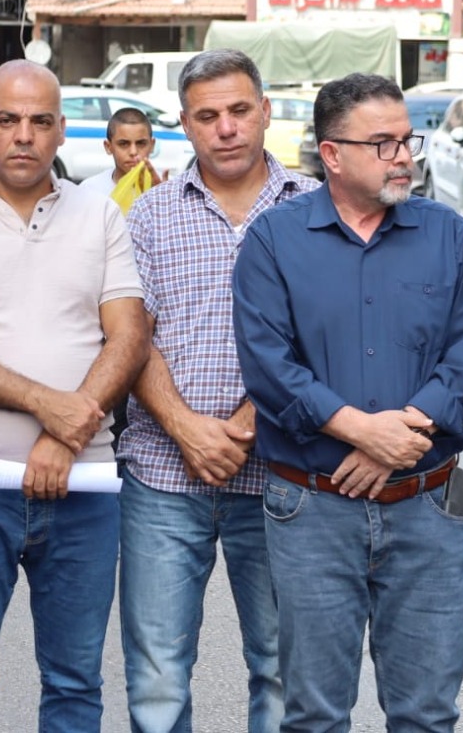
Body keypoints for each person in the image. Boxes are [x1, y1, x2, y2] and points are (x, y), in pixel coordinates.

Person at [232, 74, 463, 731]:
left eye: (406, 140)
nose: (403, 156)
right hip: (312, 509)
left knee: (427, 713)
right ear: (332, 154)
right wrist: (361, 431)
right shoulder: (273, 241)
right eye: (383, 144)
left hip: (426, 507)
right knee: (315, 714)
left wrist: (396, 438)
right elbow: (268, 366)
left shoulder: (448, 235)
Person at [0, 60, 150, 731]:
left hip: (84, 485)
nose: (23, 136)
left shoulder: (99, 214)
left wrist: (66, 438)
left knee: (75, 682)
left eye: (40, 121)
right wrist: (52, 407)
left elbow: (129, 336)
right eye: (8, 120)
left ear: (62, 130)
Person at [117, 49, 317, 733]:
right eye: (207, 116)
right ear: (184, 125)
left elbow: (326, 330)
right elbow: (129, 336)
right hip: (163, 476)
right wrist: (186, 428)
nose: (226, 128)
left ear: (266, 111)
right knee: (157, 674)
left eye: (238, 111)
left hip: (282, 475)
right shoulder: (148, 216)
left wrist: (248, 422)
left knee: (284, 667)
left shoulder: (315, 208)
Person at [76, 105, 158, 201]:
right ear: (108, 147)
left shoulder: (167, 188)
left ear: (152, 145)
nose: (133, 152)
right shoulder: (90, 190)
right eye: (124, 144)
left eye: (141, 143)